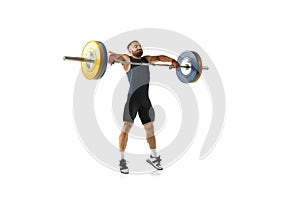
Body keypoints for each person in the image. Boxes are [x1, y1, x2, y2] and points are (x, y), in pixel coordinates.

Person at [108, 40, 180, 174]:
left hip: (145, 100)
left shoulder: (146, 59)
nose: (139, 47)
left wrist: (173, 61)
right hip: (132, 100)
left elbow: (159, 58)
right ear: (130, 51)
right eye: (136, 46)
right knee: (126, 128)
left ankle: (153, 157)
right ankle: (122, 161)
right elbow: (114, 55)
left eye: (140, 46)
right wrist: (111, 57)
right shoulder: (126, 59)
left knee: (150, 129)